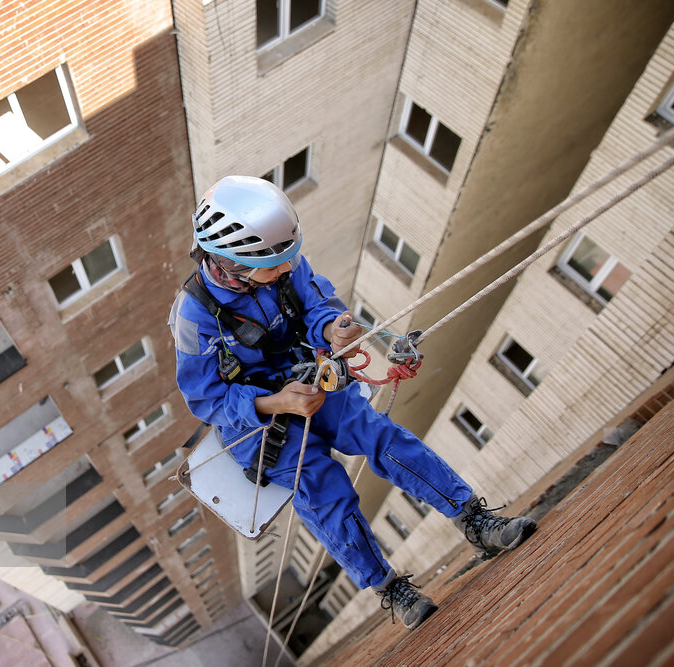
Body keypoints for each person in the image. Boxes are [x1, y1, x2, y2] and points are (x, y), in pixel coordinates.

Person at [168, 175, 536, 629]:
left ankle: (475, 520)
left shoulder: (280, 262)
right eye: (274, 266)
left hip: (311, 378)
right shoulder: (194, 318)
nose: (287, 269)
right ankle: (388, 587)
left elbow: (316, 300)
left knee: (382, 437)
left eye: (288, 259)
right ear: (233, 263)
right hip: (257, 419)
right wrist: (274, 403)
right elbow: (208, 401)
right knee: (323, 489)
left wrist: (332, 329)